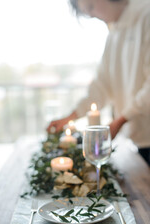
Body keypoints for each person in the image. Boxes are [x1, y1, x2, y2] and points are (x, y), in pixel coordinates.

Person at [47, 0, 150, 165]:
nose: (92, 15)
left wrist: (120, 120)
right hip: (138, 139)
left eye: (91, 7)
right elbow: (102, 86)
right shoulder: (114, 33)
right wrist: (71, 117)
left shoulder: (146, 14)